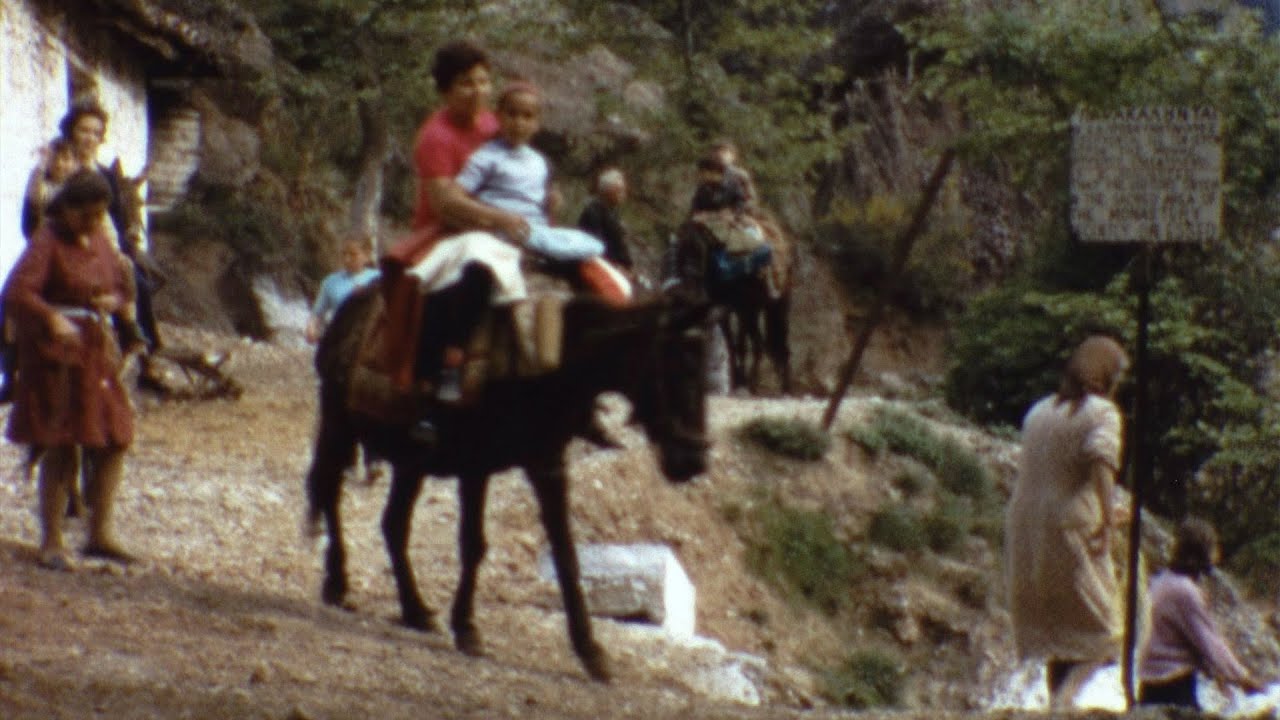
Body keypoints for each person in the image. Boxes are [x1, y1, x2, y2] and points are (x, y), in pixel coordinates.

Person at [3, 170, 142, 570]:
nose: (95, 223)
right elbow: (17, 291)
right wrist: (50, 317)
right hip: (58, 356)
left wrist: (112, 300)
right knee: (61, 440)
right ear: (67, 209)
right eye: (88, 215)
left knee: (116, 436)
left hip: (95, 353)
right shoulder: (47, 242)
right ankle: (52, 539)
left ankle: (100, 532)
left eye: (101, 215)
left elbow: (120, 283)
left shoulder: (98, 238)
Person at [380, 41, 530, 404]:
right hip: (447, 230)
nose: (477, 91)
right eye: (466, 83)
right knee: (462, 281)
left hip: (498, 223)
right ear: (446, 90)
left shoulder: (495, 124)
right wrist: (498, 217)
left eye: (483, 81)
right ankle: (439, 369)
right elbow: (445, 203)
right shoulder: (436, 137)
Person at [1006, 335, 1130, 709]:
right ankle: (1063, 702)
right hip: (1070, 527)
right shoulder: (1101, 412)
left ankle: (1056, 702)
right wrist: (1108, 519)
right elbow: (1101, 462)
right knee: (1108, 629)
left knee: (1057, 634)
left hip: (1025, 531)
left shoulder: (1040, 410)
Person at [59, 101, 163, 381]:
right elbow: (36, 211)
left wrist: (125, 250)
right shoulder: (59, 168)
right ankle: (12, 371)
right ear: (71, 133)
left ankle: (145, 354)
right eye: (84, 131)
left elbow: (116, 221)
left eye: (96, 132)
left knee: (137, 281)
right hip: (62, 244)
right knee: (17, 291)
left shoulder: (106, 176)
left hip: (104, 247)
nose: (90, 138)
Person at [456, 82, 607, 263]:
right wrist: (495, 218)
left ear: (536, 124)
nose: (519, 123)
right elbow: (457, 196)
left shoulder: (539, 161)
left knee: (593, 245)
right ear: (498, 116)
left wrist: (551, 204)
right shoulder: (486, 156)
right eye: (512, 114)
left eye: (527, 117)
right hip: (501, 228)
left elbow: (536, 202)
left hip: (535, 228)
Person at [1138, 518, 1266, 709]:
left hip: (1149, 681)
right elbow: (1210, 643)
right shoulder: (1185, 593)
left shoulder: (1162, 581)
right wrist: (1243, 679)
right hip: (1171, 683)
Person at [305, 235, 380, 344]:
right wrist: (311, 328)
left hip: (370, 341)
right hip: (339, 339)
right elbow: (317, 312)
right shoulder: (331, 282)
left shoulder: (378, 279)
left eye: (353, 255)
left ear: (367, 255)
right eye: (344, 254)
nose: (347, 259)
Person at [577, 167, 634, 271]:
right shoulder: (593, 212)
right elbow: (596, 244)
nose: (623, 194)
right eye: (619, 191)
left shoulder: (611, 211)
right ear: (609, 191)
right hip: (601, 265)